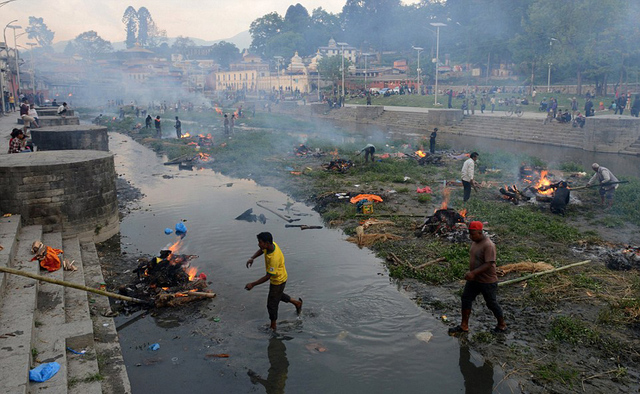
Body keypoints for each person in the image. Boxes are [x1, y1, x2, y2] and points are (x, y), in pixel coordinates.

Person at [448, 221, 506, 335]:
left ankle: (502, 325)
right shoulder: (475, 242)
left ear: (480, 232)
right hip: (474, 280)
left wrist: (473, 273)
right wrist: (472, 274)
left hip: (487, 281)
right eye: (469, 233)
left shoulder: (488, 245)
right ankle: (464, 326)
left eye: (472, 234)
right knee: (466, 299)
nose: (470, 236)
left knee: (491, 303)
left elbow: (489, 263)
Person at [245, 232, 303, 332]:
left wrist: (252, 284)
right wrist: (252, 258)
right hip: (281, 276)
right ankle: (297, 303)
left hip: (278, 280)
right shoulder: (272, 245)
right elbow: (261, 250)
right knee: (277, 295)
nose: (258, 244)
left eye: (260, 242)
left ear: (267, 243)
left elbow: (268, 276)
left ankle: (273, 326)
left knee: (271, 304)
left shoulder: (273, 259)